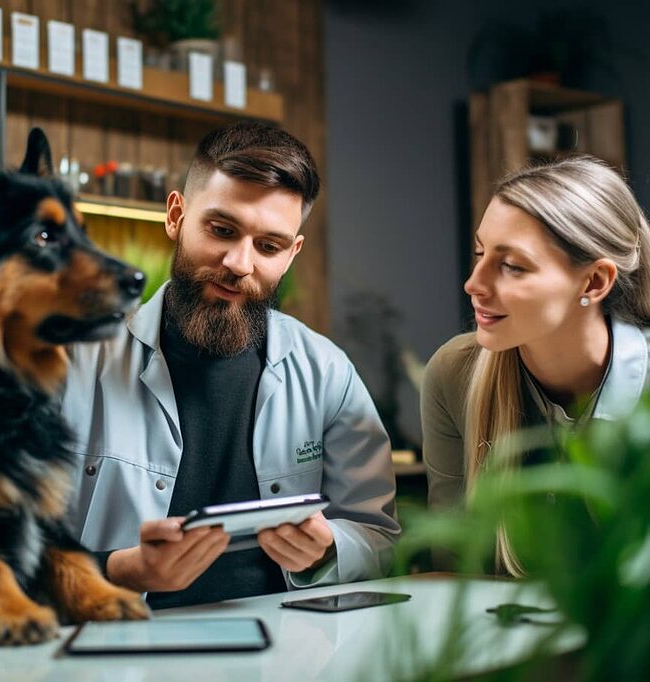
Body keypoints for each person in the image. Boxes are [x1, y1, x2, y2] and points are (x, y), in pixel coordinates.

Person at [61, 122, 400, 608]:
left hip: (284, 653)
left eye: (269, 246)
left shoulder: (328, 373)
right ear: (176, 215)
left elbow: (380, 539)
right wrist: (119, 570)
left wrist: (329, 550)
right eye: (222, 230)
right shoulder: (74, 363)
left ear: (292, 254)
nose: (240, 263)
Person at [421, 155, 650, 575]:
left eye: (512, 266)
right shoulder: (453, 373)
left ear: (594, 282)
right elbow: (453, 569)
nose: (474, 284)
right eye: (479, 253)